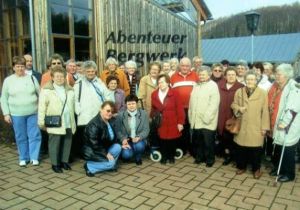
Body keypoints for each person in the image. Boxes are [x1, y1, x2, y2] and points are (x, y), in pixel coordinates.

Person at [1, 56, 41, 166]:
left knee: (34, 135)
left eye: (22, 66)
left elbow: (40, 94)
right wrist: (6, 114)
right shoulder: (8, 81)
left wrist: (40, 109)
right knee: (20, 136)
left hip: (33, 112)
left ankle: (34, 157)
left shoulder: (32, 78)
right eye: (17, 66)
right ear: (13, 67)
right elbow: (3, 98)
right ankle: (23, 157)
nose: (20, 69)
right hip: (16, 114)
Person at [231, 71, 270, 179]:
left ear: (256, 80)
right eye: (248, 79)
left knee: (255, 150)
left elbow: (265, 111)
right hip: (242, 125)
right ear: (245, 80)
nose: (250, 81)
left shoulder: (262, 93)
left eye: (252, 79)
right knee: (241, 148)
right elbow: (233, 104)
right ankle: (241, 167)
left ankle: (256, 169)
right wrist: (239, 108)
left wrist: (264, 128)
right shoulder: (239, 91)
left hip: (256, 126)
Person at [38, 66, 76, 173]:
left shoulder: (70, 89)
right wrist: (41, 122)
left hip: (68, 119)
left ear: (65, 77)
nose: (60, 78)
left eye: (62, 76)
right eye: (57, 76)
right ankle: (55, 163)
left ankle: (64, 161)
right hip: (55, 121)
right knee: (55, 142)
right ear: (52, 77)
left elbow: (73, 105)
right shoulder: (46, 90)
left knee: (67, 141)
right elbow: (41, 107)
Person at [74, 60, 112, 158]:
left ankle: (97, 153)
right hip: (84, 114)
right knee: (85, 136)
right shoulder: (79, 83)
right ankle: (86, 155)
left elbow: (107, 95)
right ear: (84, 71)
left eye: (92, 71)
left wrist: (107, 109)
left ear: (95, 71)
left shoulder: (99, 83)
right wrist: (78, 110)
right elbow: (75, 99)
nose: (90, 73)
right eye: (88, 71)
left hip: (97, 114)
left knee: (97, 135)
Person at [268, 64, 300, 182]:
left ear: (286, 75)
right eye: (276, 73)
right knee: (279, 147)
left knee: (287, 149)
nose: (276, 76)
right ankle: (279, 169)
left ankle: (289, 174)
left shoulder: (294, 88)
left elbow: (293, 109)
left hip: (288, 125)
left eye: (279, 74)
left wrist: (285, 122)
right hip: (276, 122)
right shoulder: (277, 86)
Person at [189, 67, 220, 167]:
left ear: (209, 75)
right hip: (196, 119)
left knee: (208, 142)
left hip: (207, 120)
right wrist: (191, 115)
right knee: (198, 141)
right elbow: (191, 102)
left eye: (204, 74)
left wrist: (207, 118)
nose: (201, 76)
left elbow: (214, 104)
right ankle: (199, 157)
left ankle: (210, 159)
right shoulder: (196, 85)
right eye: (200, 74)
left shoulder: (213, 85)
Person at [151, 74, 185, 164]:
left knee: (172, 139)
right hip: (161, 121)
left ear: (168, 83)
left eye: (162, 82)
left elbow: (180, 109)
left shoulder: (175, 93)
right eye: (159, 82)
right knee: (162, 139)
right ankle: (164, 156)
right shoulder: (154, 94)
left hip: (172, 120)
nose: (160, 84)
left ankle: (171, 156)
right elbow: (153, 109)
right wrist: (153, 118)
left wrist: (180, 122)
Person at [82, 101, 122, 177]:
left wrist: (122, 142)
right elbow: (95, 145)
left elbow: (113, 137)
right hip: (93, 151)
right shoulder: (94, 125)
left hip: (104, 148)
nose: (110, 113)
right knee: (111, 163)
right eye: (108, 111)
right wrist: (106, 154)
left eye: (112, 111)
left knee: (118, 147)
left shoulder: (110, 120)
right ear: (101, 109)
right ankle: (89, 166)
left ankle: (108, 165)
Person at [170, 57, 198, 155]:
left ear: (190, 66)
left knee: (193, 128)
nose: (185, 67)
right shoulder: (173, 77)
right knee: (182, 128)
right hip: (179, 108)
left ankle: (192, 148)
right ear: (179, 66)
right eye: (183, 65)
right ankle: (182, 148)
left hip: (193, 108)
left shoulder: (196, 76)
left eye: (187, 66)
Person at [217, 67, 244, 165]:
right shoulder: (220, 85)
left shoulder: (241, 87)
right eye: (229, 75)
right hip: (221, 115)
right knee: (223, 136)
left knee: (233, 137)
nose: (231, 76)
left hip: (233, 117)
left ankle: (233, 156)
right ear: (225, 76)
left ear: (236, 76)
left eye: (233, 74)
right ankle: (226, 154)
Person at [116, 94, 150, 165]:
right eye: (129, 104)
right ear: (126, 105)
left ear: (137, 104)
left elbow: (146, 129)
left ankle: (138, 156)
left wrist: (139, 137)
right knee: (126, 155)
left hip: (138, 139)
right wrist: (123, 139)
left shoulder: (143, 114)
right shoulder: (120, 115)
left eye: (133, 103)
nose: (131, 106)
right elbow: (118, 130)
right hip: (127, 140)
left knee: (139, 146)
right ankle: (130, 153)